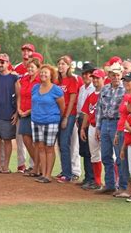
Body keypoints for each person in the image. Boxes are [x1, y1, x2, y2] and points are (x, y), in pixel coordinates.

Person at [94, 61, 126, 194]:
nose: (116, 77)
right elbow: (99, 109)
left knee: (119, 156)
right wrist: (98, 126)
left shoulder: (124, 90)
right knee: (106, 155)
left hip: (117, 123)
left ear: (121, 75)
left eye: (118, 74)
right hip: (105, 122)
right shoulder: (105, 89)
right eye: (113, 74)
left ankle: (122, 185)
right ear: (109, 75)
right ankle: (110, 184)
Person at [31, 65, 65, 183]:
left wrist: (57, 118)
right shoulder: (35, 88)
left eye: (46, 73)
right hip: (36, 121)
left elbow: (62, 107)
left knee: (49, 148)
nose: (43, 75)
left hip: (50, 121)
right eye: (41, 73)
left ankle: (48, 175)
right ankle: (43, 173)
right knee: (40, 147)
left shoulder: (56, 89)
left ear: (51, 75)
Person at [0, 53, 18, 173]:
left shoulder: (14, 78)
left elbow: (19, 96)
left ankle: (6, 166)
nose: (0, 64)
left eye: (3, 62)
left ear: (8, 63)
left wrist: (16, 112)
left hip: (8, 113)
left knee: (7, 140)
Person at [113, 72, 131, 198]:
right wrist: (117, 134)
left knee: (129, 161)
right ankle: (124, 187)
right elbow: (122, 115)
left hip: (130, 131)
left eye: (128, 81)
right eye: (124, 81)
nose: (125, 83)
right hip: (121, 129)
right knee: (121, 161)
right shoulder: (125, 96)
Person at [55, 55, 80, 183]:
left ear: (69, 66)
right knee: (60, 144)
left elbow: (72, 100)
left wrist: (65, 117)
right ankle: (65, 170)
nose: (61, 66)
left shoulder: (72, 80)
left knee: (65, 143)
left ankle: (68, 174)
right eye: (59, 63)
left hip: (68, 115)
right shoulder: (57, 80)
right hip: (56, 115)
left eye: (64, 64)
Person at [80, 69, 106, 190]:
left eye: (98, 78)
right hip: (91, 126)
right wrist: (82, 128)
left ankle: (114, 182)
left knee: (108, 155)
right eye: (94, 78)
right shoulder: (91, 95)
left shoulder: (107, 93)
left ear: (103, 79)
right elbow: (86, 112)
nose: (95, 80)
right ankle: (97, 181)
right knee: (94, 155)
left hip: (104, 127)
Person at [16, 58, 41, 176]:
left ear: (38, 68)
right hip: (23, 112)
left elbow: (39, 99)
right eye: (29, 67)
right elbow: (20, 95)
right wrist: (19, 109)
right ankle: (38, 165)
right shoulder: (24, 79)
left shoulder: (40, 80)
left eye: (33, 67)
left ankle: (38, 167)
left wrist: (29, 111)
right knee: (26, 139)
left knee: (36, 141)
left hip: (35, 113)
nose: (30, 69)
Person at [76, 62, 96, 188]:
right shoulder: (82, 88)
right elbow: (80, 107)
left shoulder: (94, 88)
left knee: (90, 151)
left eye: (88, 73)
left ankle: (92, 178)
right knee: (83, 150)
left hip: (89, 120)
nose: (85, 76)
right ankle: (87, 177)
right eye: (84, 73)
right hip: (81, 118)